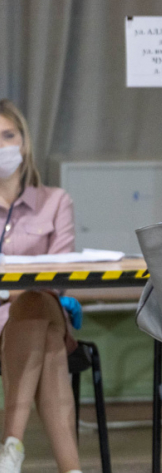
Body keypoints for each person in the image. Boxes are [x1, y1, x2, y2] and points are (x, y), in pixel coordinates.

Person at [0, 100, 81, 473]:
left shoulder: (55, 201)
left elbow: (58, 275)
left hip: (47, 308)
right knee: (46, 344)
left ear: (24, 143)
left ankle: (10, 450)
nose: (2, 146)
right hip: (31, 325)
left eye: (8, 136)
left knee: (35, 300)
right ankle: (72, 469)